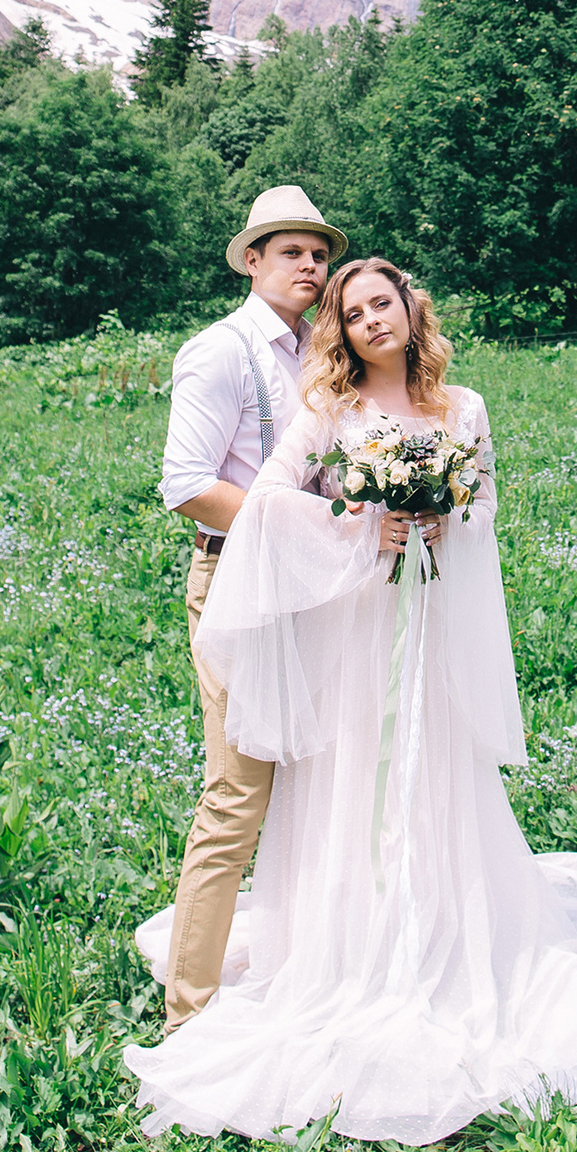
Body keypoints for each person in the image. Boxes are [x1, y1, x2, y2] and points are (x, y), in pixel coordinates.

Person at [126, 257, 577, 1143]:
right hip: (354, 629)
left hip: (429, 622)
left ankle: (442, 943)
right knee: (360, 778)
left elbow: (486, 505)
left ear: (409, 310)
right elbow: (268, 502)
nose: (368, 321)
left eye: (380, 303)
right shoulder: (330, 412)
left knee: (432, 778)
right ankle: (357, 949)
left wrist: (442, 516)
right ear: (338, 333)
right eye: (350, 313)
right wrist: (357, 525)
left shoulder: (464, 409)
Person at [157, 185, 347, 1036]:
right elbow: (187, 487)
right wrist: (312, 524)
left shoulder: (318, 352)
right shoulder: (221, 352)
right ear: (252, 260)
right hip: (237, 582)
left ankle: (307, 966)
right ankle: (189, 1010)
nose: (310, 267)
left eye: (318, 254)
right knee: (237, 796)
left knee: (317, 781)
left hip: (315, 587)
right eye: (291, 253)